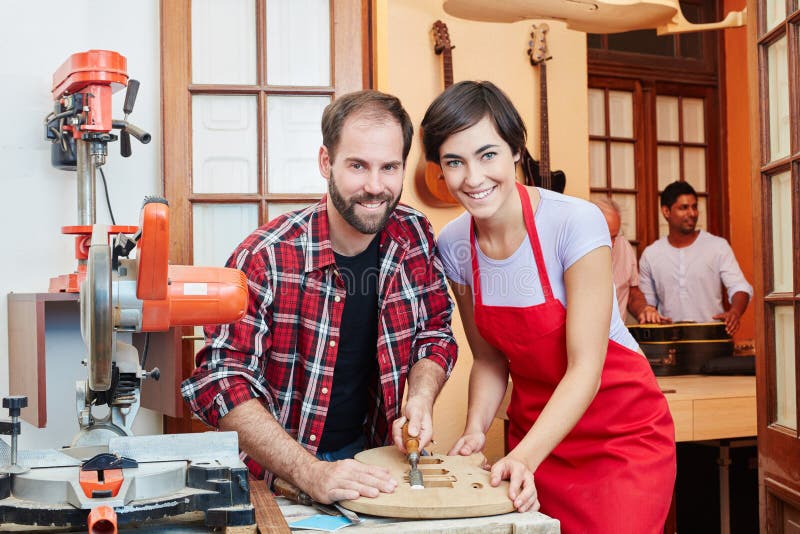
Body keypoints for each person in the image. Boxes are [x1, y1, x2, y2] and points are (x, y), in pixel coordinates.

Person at [181, 90, 458, 505]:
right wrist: (310, 472)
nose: (375, 186)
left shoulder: (412, 234)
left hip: (371, 459)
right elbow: (221, 381)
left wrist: (419, 398)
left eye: (389, 167)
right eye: (357, 166)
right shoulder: (265, 256)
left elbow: (435, 332)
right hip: (276, 474)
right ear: (326, 162)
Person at [421, 80, 675, 531]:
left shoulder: (573, 223)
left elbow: (585, 369)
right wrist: (477, 428)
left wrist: (522, 458)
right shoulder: (454, 243)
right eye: (454, 162)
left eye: (488, 154)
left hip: (619, 436)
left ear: (516, 150)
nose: (473, 178)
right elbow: (489, 357)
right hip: (535, 437)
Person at [638, 180, 752, 335]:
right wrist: (649, 313)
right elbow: (648, 305)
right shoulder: (651, 254)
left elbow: (740, 287)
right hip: (670, 343)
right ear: (666, 212)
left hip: (712, 339)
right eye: (684, 208)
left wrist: (735, 313)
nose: (692, 213)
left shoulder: (717, 246)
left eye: (694, 207)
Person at [592, 197, 650, 321]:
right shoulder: (572, 253)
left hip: (617, 336)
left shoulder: (623, 246)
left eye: (615, 236)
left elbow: (632, 293)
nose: (612, 244)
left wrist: (643, 309)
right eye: (606, 237)